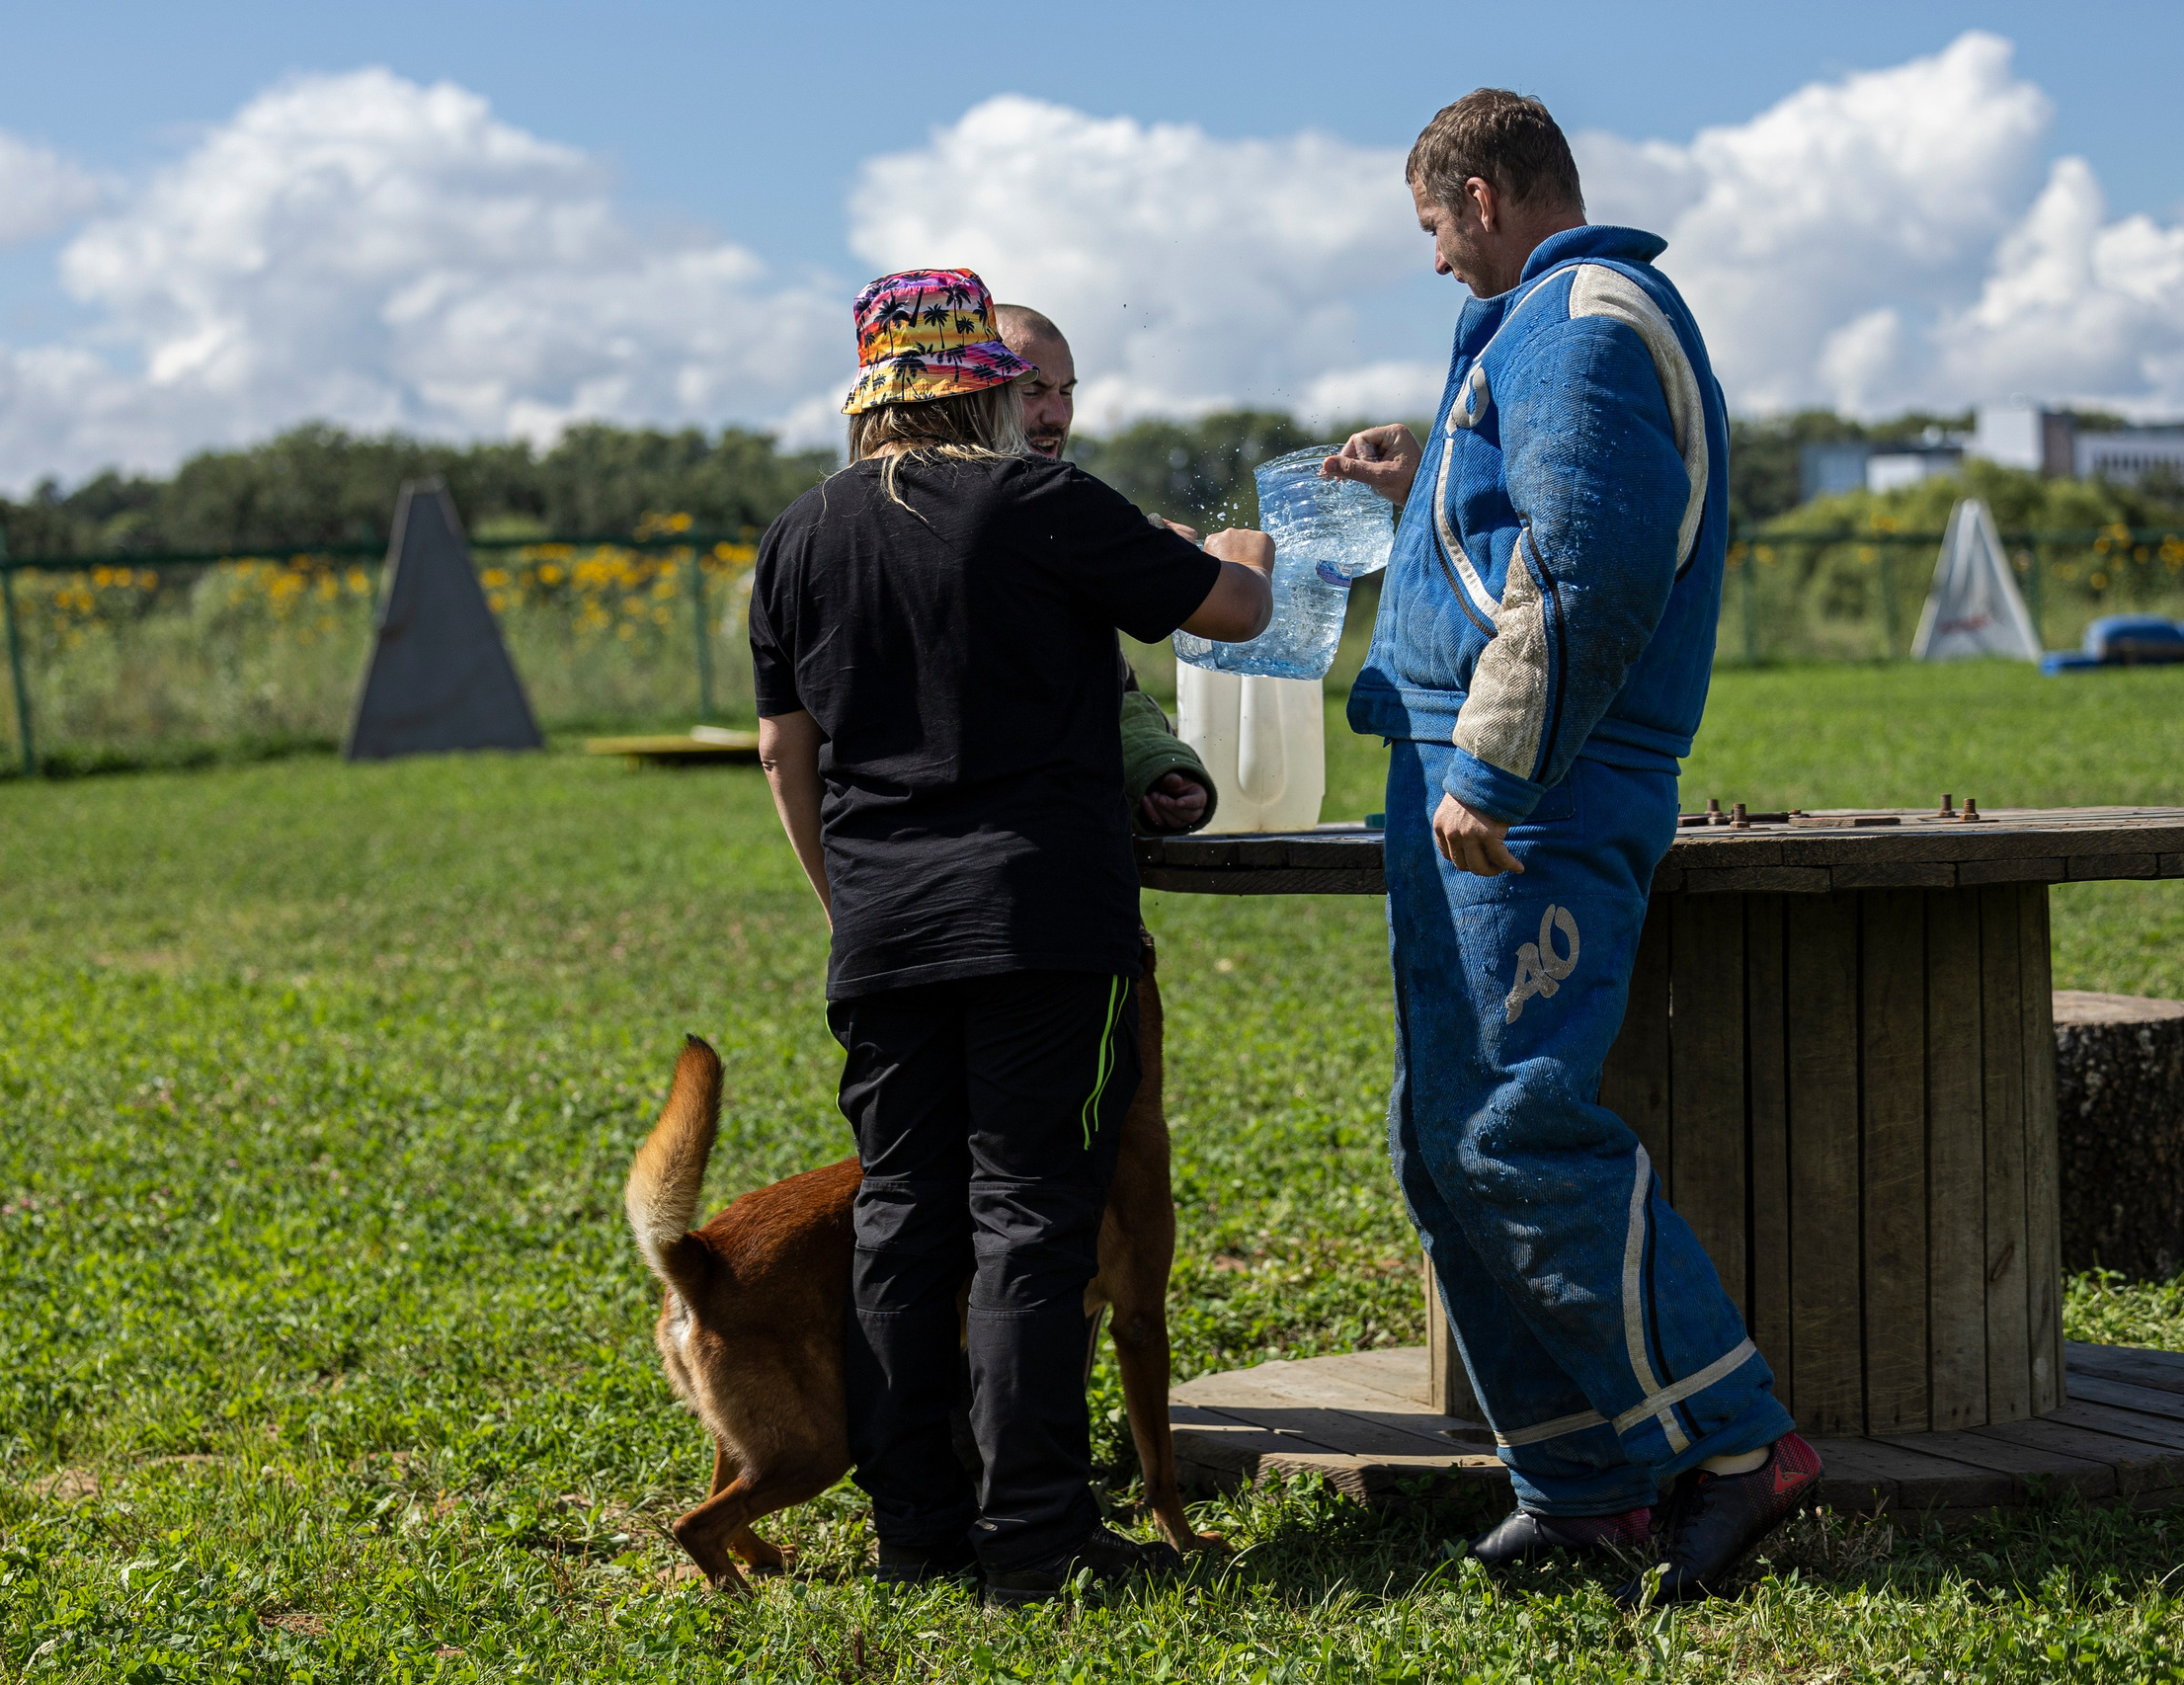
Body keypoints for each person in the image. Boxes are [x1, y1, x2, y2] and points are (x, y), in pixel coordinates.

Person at [1322, 91, 1820, 1602]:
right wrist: (1425, 505)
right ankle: (1581, 1482)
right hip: (1481, 780)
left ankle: (1735, 1445)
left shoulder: (1586, 320)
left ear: (1478, 193)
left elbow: (1593, 561)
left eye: (1429, 228)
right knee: (1444, 1137)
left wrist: (1490, 758)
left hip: (1537, 789)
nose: (1429, 264)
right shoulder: (1540, 326)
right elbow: (1520, 538)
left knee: (1515, 1130)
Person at [748, 268, 1272, 1605]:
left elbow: (780, 752)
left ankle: (918, 1531)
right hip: (1045, 922)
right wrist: (1249, 547)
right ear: (984, 385)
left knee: (904, 1226)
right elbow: (1233, 613)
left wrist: (844, 900)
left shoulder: (797, 537)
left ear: (867, 393)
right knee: (1031, 1221)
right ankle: (1036, 1535)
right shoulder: (1042, 502)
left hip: (883, 933)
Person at [996, 302, 1216, 836]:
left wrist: (1156, 772)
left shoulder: (1069, 517)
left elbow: (1108, 695)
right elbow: (1240, 611)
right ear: (974, 392)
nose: (1057, 416)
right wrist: (1245, 568)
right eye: (1032, 391)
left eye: (1066, 392)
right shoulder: (1047, 513)